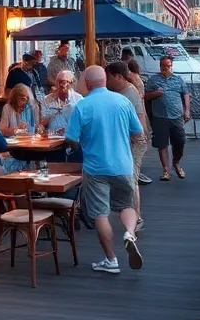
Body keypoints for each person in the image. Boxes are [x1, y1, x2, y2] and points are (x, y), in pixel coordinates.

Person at [66, 66, 144, 275]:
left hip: (95, 167)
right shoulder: (123, 101)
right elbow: (138, 131)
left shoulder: (83, 106)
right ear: (104, 80)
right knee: (126, 206)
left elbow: (71, 140)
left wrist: (79, 141)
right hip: (122, 164)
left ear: (88, 83)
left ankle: (111, 260)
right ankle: (129, 233)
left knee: (101, 214)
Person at [106, 62, 150, 230]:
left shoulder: (129, 94)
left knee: (132, 178)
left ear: (118, 76)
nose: (107, 82)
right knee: (126, 177)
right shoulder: (122, 91)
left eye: (109, 77)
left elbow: (139, 121)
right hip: (126, 141)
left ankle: (137, 218)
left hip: (134, 141)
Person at [144, 56, 191, 181]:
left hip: (176, 116)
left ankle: (176, 162)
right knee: (162, 144)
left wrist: (187, 110)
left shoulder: (178, 79)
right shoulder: (153, 80)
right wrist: (155, 94)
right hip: (160, 116)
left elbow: (185, 94)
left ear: (172, 66)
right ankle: (166, 169)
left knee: (180, 142)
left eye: (168, 66)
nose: (165, 68)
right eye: (162, 66)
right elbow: (145, 97)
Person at [40, 70, 83, 136]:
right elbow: (41, 124)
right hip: (52, 140)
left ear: (71, 83)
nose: (62, 85)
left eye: (65, 82)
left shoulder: (78, 99)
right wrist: (51, 115)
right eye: (59, 82)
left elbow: (83, 123)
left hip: (72, 141)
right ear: (55, 83)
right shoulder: (46, 100)